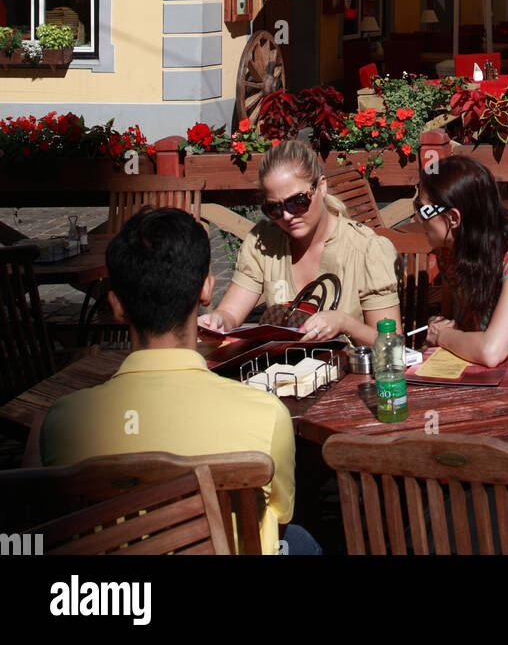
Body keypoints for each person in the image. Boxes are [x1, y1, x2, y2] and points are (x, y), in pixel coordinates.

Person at [40, 207, 319, 554]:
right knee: (301, 541)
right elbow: (279, 516)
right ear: (206, 289)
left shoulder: (63, 423)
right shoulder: (266, 414)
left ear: (116, 306)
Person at [198, 139, 401, 345]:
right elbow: (231, 314)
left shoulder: (366, 250)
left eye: (297, 202)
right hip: (284, 371)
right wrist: (218, 320)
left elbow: (391, 344)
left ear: (321, 186)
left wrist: (346, 323)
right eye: (274, 208)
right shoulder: (264, 242)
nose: (286, 216)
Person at [415, 156, 508, 368]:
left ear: (454, 219)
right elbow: (457, 324)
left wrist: (442, 335)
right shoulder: (448, 254)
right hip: (479, 374)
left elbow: (491, 351)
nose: (416, 219)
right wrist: (442, 326)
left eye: (422, 209)